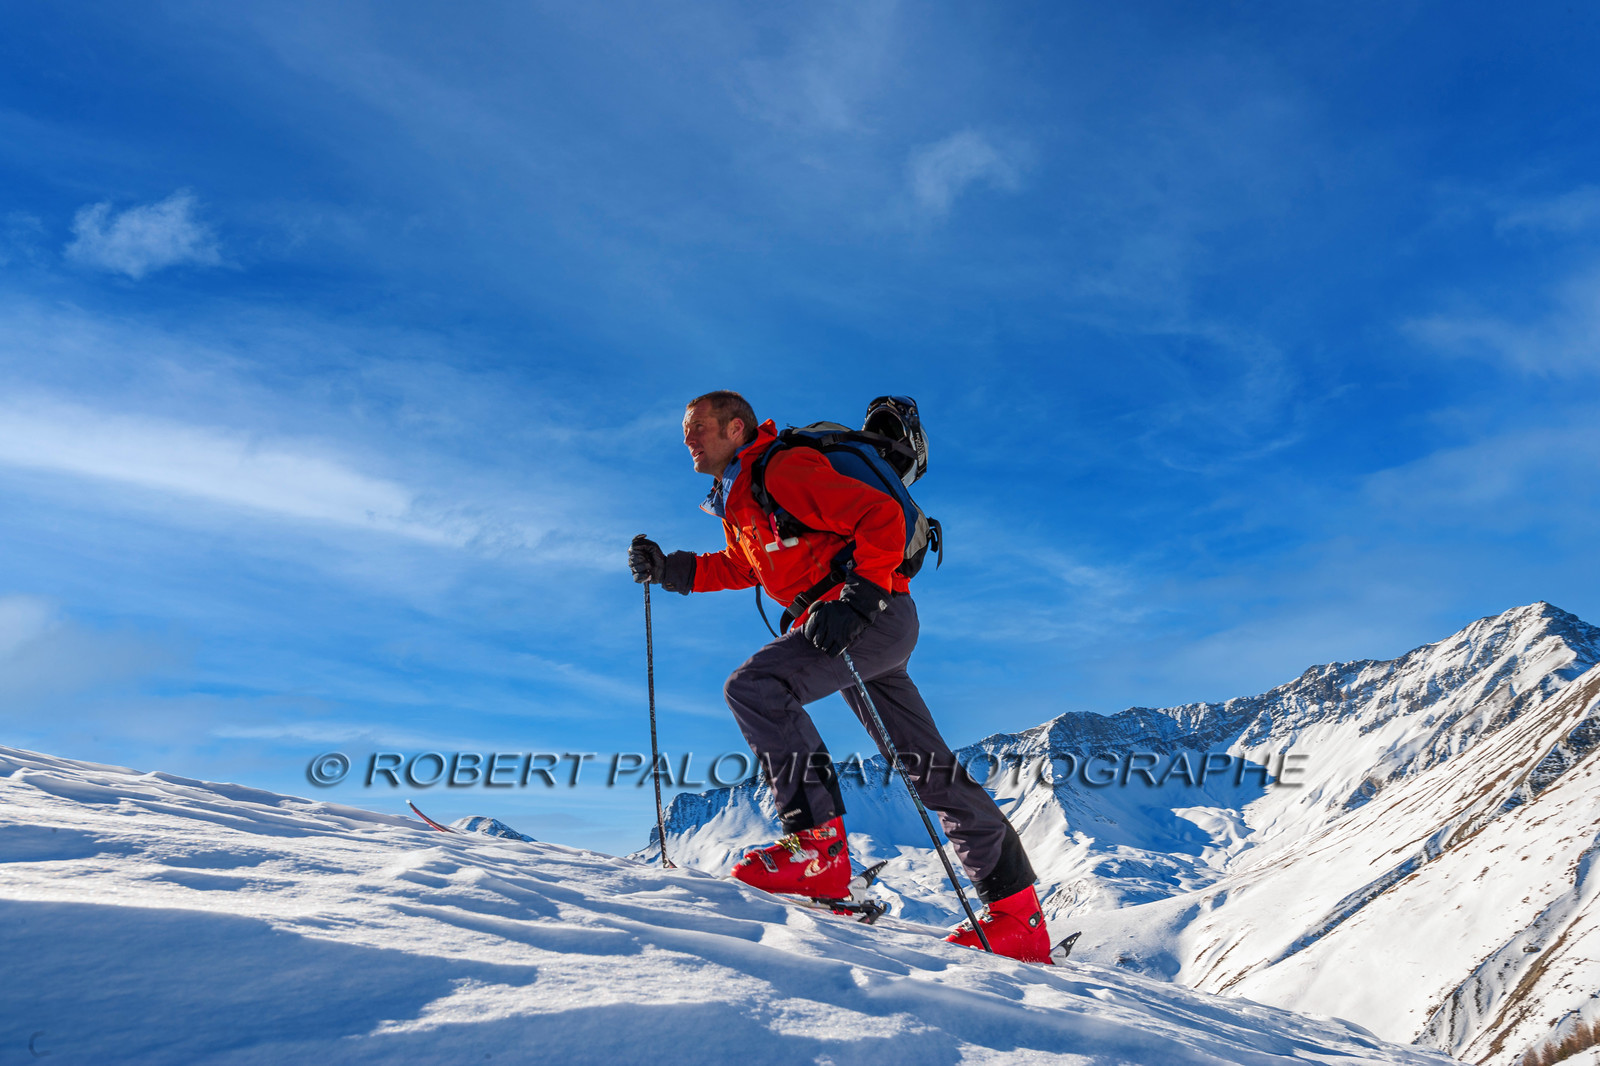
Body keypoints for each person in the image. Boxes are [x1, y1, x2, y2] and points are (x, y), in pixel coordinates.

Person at [628, 390, 1052, 964]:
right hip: (854, 622)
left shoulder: (783, 468)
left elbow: (879, 516)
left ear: (734, 428)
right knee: (926, 765)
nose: (688, 439)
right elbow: (742, 567)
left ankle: (819, 853)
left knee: (755, 687)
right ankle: (1018, 917)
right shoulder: (744, 496)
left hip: (863, 617)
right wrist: (671, 569)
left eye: (697, 427)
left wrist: (860, 597)